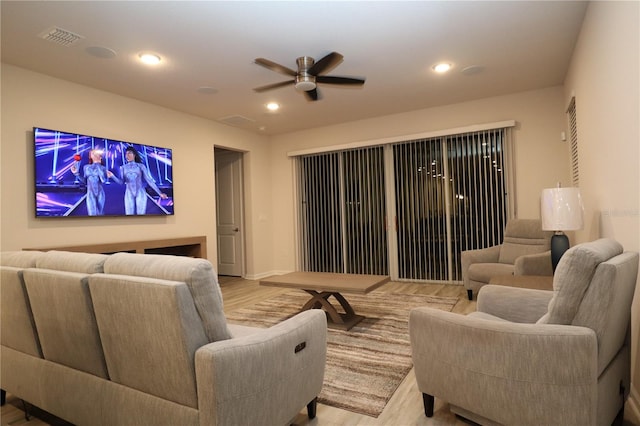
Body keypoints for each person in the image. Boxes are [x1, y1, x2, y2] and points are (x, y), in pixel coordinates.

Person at [119, 146, 168, 215]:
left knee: (141, 217)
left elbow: (149, 180)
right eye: (126, 154)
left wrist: (160, 193)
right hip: (129, 194)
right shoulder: (123, 168)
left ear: (134, 155)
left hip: (140, 193)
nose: (127, 155)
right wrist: (112, 176)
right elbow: (121, 182)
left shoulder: (141, 166)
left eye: (129, 153)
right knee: (129, 217)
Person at [71, 149, 120, 216]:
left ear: (100, 156)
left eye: (96, 153)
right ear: (90, 156)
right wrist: (77, 174)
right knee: (91, 214)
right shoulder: (86, 167)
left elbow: (103, 180)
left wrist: (98, 165)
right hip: (90, 194)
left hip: (100, 193)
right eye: (92, 153)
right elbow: (85, 181)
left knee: (100, 213)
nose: (94, 154)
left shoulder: (103, 168)